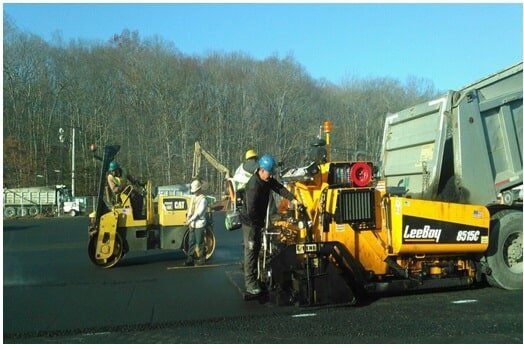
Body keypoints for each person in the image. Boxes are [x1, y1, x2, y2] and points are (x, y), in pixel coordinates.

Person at [239, 154, 300, 295]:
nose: (270, 176)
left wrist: (293, 199)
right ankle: (250, 284)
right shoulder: (253, 185)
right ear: (261, 170)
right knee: (251, 251)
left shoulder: (267, 179)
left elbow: (279, 188)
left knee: (257, 248)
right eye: (269, 173)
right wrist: (256, 227)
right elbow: (251, 210)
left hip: (258, 221)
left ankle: (256, 278)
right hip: (250, 222)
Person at [184, 179, 209, 266]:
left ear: (199, 189)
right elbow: (190, 209)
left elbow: (198, 213)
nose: (194, 193)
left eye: (195, 191)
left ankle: (202, 259)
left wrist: (190, 220)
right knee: (191, 242)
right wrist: (188, 217)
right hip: (192, 224)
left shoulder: (203, 200)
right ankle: (190, 259)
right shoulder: (193, 198)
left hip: (199, 224)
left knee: (200, 242)